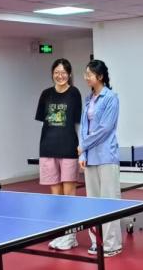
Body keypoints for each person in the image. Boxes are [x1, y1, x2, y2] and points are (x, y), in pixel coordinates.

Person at [35, 57, 83, 251]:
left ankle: (71, 236)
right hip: (48, 148)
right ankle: (60, 232)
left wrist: (81, 147)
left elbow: (78, 123)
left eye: (63, 72)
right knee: (56, 196)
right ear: (52, 74)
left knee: (69, 194)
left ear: (69, 74)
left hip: (69, 148)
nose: (60, 76)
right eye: (56, 72)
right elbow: (44, 121)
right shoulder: (45, 94)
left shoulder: (74, 93)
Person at [78, 59, 122, 257]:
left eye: (89, 74)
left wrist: (83, 146)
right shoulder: (88, 99)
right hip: (90, 157)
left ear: (100, 76)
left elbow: (105, 129)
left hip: (106, 156)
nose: (86, 77)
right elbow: (83, 128)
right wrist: (83, 153)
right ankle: (97, 241)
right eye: (85, 74)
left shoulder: (111, 98)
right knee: (93, 203)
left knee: (109, 201)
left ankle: (112, 244)